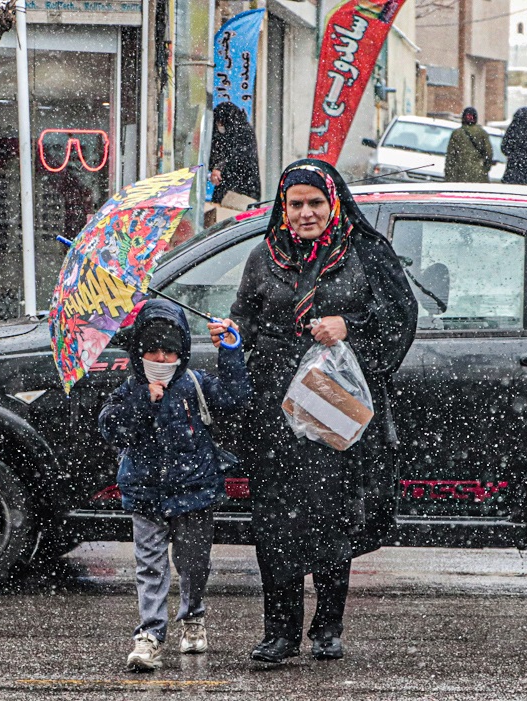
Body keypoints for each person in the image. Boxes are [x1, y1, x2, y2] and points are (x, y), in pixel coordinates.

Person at [208, 159, 418, 665]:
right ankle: (279, 631)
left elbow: (400, 320)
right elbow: (247, 318)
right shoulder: (264, 256)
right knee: (276, 522)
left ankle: (327, 626)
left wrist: (349, 325)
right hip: (275, 405)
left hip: (335, 399)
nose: (305, 213)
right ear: (283, 206)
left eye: (315, 203)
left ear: (334, 203)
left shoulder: (366, 253)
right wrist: (234, 338)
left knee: (331, 515)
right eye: (295, 203)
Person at [99, 299, 252, 672]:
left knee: (193, 563)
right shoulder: (128, 390)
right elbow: (110, 427)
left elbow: (236, 399)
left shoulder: (194, 385)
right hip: (145, 493)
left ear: (181, 352)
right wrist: (141, 401)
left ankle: (193, 614)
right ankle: (149, 635)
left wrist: (232, 354)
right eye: (153, 350)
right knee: (149, 566)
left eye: (169, 351)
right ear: (139, 351)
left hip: (194, 492)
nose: (161, 358)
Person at [208, 102, 261, 204]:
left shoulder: (244, 132)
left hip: (242, 190)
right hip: (229, 187)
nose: (219, 125)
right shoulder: (232, 132)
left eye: (221, 122)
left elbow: (239, 157)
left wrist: (220, 168)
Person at [443, 107, 494, 183]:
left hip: (460, 174)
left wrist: (449, 175)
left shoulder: (457, 133)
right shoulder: (482, 133)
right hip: (478, 175)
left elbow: (450, 157)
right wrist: (484, 169)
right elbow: (489, 154)